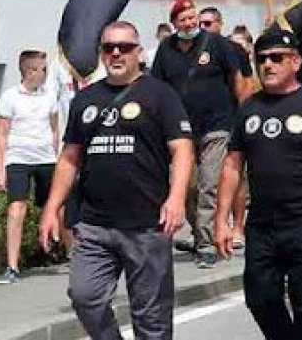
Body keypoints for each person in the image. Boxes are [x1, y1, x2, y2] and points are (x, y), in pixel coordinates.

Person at [38, 21, 194, 339]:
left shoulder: (161, 95)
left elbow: (183, 149)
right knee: (85, 297)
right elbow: (69, 158)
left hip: (147, 223)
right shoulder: (86, 99)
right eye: (109, 48)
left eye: (124, 47)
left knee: (151, 318)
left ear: (139, 52)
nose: (117, 53)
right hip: (95, 225)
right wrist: (51, 208)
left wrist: (176, 198)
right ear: (101, 53)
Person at [213, 29, 302, 340]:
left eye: (276, 58)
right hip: (263, 224)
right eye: (262, 59)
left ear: (295, 62)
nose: (268, 64)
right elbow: (233, 165)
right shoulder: (249, 108)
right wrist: (222, 220)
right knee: (260, 297)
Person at [151, 0, 253, 268]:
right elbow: (157, 89)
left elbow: (238, 80)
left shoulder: (217, 44)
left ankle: (207, 244)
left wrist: (243, 118)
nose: (189, 23)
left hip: (217, 125)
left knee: (209, 185)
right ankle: (200, 235)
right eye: (183, 19)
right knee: (188, 187)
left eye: (192, 17)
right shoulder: (166, 50)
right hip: (181, 131)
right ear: (175, 23)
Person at [0, 50, 60, 284]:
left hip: (46, 158)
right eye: (43, 69)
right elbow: (1, 135)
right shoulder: (10, 97)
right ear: (30, 71)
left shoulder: (50, 95)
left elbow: (54, 128)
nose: (46, 73)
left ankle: (74, 256)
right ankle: (12, 266)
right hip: (18, 158)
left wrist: (57, 157)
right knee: (16, 208)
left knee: (58, 205)